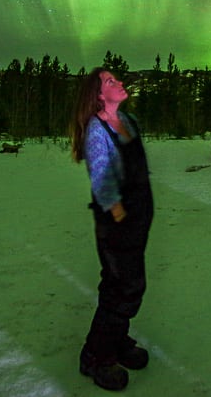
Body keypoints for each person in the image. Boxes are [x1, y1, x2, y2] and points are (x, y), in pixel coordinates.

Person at [70, 67, 154, 391]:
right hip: (117, 222)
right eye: (109, 81)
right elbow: (102, 177)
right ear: (98, 95)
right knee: (125, 289)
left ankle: (116, 340)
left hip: (137, 216)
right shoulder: (96, 129)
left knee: (122, 285)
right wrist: (120, 215)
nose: (118, 82)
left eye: (116, 79)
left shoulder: (129, 122)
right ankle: (96, 356)